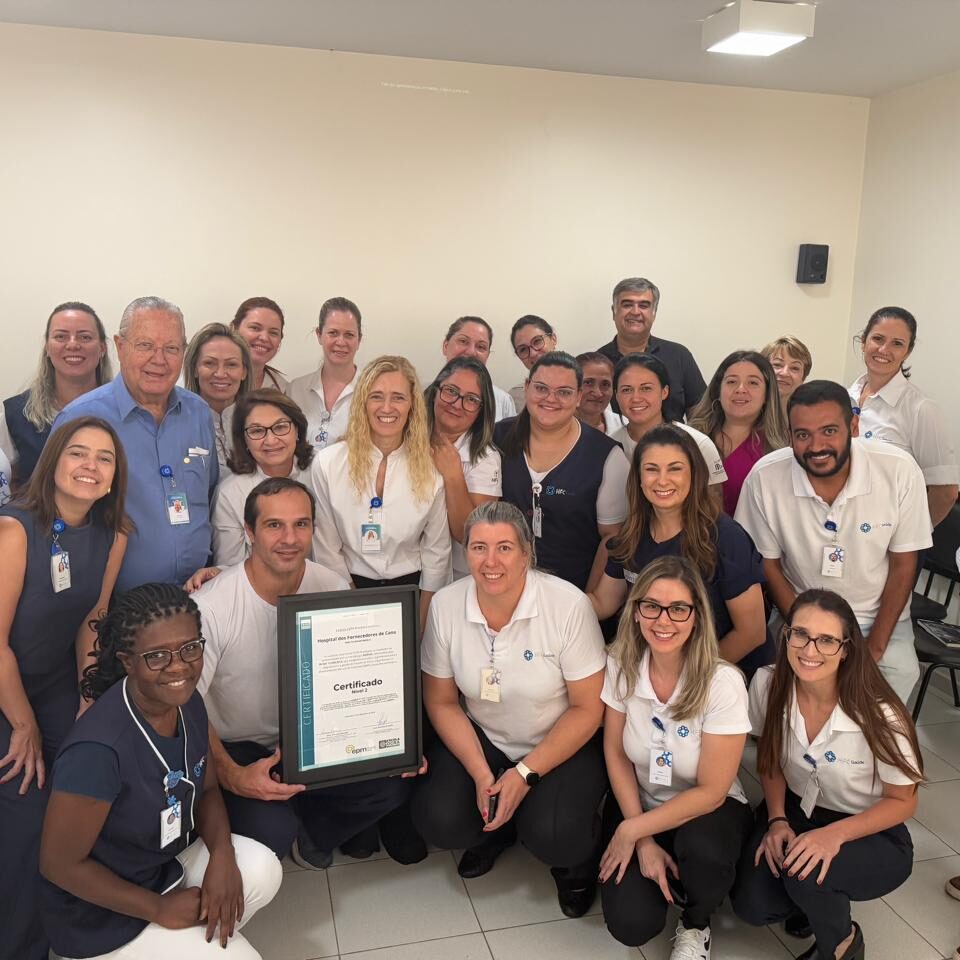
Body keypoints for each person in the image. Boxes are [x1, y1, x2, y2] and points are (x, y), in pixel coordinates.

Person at [39, 583, 283, 959]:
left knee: (262, 870)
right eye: (157, 656)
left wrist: (221, 854)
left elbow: (207, 791)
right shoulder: (96, 752)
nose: (179, 666)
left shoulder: (188, 703)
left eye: (190, 648)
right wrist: (158, 910)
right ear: (127, 661)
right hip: (99, 913)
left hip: (161, 864)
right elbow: (58, 865)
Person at [194, 477, 411, 869]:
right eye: (274, 525)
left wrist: (392, 741)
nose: (289, 538)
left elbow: (362, 671)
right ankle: (290, 819)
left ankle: (312, 830)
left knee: (391, 787)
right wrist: (230, 774)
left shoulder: (330, 586)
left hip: (316, 734)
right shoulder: (212, 607)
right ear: (249, 532)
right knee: (269, 833)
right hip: (240, 742)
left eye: (301, 524)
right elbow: (186, 706)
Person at [412, 501, 607, 916]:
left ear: (526, 554)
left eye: (504, 548)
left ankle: (576, 865)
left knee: (555, 834)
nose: (490, 561)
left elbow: (588, 709)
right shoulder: (448, 605)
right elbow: (442, 701)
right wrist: (482, 772)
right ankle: (495, 831)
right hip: (487, 736)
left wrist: (524, 772)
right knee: (439, 817)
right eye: (479, 548)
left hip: (556, 739)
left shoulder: (567, 606)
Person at [732, 589, 923, 960]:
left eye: (827, 640)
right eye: (800, 634)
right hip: (797, 810)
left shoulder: (882, 713)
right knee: (751, 906)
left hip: (868, 828)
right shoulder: (768, 683)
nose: (809, 650)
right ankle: (809, 899)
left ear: (847, 648)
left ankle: (842, 945)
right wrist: (776, 819)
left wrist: (833, 837)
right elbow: (769, 760)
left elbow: (904, 802)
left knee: (805, 873)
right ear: (786, 635)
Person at [0, 416, 130, 960]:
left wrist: (87, 696)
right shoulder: (14, 530)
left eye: (104, 458)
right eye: (78, 453)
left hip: (56, 682)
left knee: (88, 779)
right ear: (53, 459)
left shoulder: (114, 533)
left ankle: (76, 919)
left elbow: (92, 619)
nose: (90, 467)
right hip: (6, 688)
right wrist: (24, 724)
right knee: (27, 808)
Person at [735, 380, 933, 704]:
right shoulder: (766, 477)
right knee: (768, 685)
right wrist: (803, 630)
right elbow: (768, 565)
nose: (816, 446)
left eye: (829, 431)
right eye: (803, 435)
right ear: (790, 435)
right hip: (798, 610)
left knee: (898, 674)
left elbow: (903, 564)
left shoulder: (899, 470)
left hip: (875, 615)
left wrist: (875, 647)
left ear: (853, 427)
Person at [598, 555, 751, 958]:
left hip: (708, 812)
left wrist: (630, 832)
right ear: (634, 613)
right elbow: (615, 753)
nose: (663, 621)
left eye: (678, 609)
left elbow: (713, 791)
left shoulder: (723, 683)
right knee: (631, 925)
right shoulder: (620, 664)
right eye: (651, 606)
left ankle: (696, 922)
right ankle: (666, 871)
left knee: (704, 855)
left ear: (697, 616)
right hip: (642, 805)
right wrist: (642, 835)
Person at [53, 296, 219, 591]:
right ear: (119, 346)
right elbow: (53, 516)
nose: (159, 359)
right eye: (145, 345)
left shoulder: (199, 413)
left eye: (171, 348)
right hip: (114, 604)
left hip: (198, 595)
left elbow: (209, 494)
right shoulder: (80, 418)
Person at [590, 425, 772, 676]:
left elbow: (751, 633)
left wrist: (687, 677)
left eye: (675, 469)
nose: (662, 480)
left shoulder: (726, 538)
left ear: (694, 475)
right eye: (651, 469)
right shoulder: (632, 535)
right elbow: (602, 602)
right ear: (639, 479)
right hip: (660, 676)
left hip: (722, 676)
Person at [310, 356, 452, 627]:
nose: (387, 407)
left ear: (412, 405)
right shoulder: (328, 464)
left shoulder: (431, 469)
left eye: (398, 397)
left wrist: (420, 624)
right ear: (362, 402)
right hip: (347, 588)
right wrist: (354, 608)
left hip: (412, 591)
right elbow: (327, 549)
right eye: (376, 396)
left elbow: (437, 553)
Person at [495, 351, 629, 592]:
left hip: (572, 594)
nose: (551, 399)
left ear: (578, 396)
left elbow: (612, 538)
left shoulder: (607, 456)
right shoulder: (496, 438)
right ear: (527, 387)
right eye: (541, 388)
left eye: (564, 392)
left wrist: (590, 600)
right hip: (503, 589)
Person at [847, 306, 958, 527]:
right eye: (877, 338)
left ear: (907, 352)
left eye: (897, 343)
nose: (884, 349)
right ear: (863, 342)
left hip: (891, 542)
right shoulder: (843, 398)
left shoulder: (921, 410)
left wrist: (910, 540)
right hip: (844, 529)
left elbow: (945, 492)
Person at [1, 301, 113, 486]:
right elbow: (8, 491)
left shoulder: (127, 412)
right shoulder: (14, 416)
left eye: (84, 337)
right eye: (61, 336)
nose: (73, 344)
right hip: (37, 516)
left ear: (102, 348)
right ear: (47, 347)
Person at [212, 390, 315, 566]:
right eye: (257, 431)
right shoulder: (230, 493)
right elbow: (229, 567)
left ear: (297, 430)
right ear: (243, 440)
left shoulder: (320, 471)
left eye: (281, 427)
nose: (271, 440)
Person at [425, 356, 501, 579]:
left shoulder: (486, 457)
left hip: (455, 575)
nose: (457, 404)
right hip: (404, 564)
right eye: (451, 391)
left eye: (471, 399)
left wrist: (453, 475)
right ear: (436, 390)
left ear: (481, 409)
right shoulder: (407, 435)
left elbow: (469, 533)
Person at [688, 349, 789, 516]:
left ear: (767, 395)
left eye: (753, 383)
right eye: (732, 381)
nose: (741, 389)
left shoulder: (779, 452)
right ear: (717, 392)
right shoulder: (691, 440)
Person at [610, 352, 727, 490]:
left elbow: (713, 503)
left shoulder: (697, 443)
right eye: (627, 390)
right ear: (616, 395)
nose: (636, 398)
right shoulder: (610, 447)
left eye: (646, 388)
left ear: (664, 392)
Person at [597, 278, 706, 422]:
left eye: (644, 305)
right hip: (614, 444)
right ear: (614, 311)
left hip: (673, 442)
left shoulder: (679, 355)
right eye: (627, 304)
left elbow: (701, 414)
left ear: (654, 312)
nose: (635, 312)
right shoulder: (598, 363)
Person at [288, 296, 362, 452]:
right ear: (319, 335)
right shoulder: (295, 390)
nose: (341, 342)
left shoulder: (371, 392)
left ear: (359, 340)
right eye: (333, 333)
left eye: (349, 335)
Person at [183, 323, 253, 471]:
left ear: (244, 372)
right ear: (195, 369)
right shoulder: (177, 424)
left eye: (231, 365)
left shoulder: (258, 422)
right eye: (210, 363)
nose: (220, 374)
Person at [441, 316, 516, 421]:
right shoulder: (421, 394)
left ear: (488, 355)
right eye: (463, 341)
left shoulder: (502, 401)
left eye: (481, 347)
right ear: (445, 346)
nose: (471, 352)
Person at [230, 297, 288, 393]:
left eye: (273, 333)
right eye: (255, 328)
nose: (264, 338)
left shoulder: (284, 390)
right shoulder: (215, 379)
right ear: (234, 328)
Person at [509, 315, 557, 412]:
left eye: (537, 341)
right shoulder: (515, 398)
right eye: (523, 349)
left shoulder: (584, 385)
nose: (533, 353)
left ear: (553, 339)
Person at [575, 351, 626, 434]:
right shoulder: (553, 427)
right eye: (588, 383)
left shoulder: (624, 425)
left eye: (605, 384)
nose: (598, 393)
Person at [761, 335, 813, 415]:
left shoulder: (810, 418)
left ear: (803, 377)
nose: (785, 373)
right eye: (777, 365)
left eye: (794, 368)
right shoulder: (744, 415)